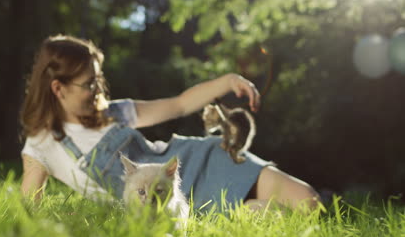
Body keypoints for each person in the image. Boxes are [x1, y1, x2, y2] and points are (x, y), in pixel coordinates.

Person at [20, 34, 320, 213]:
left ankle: (247, 209)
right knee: (270, 215)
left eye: (98, 80)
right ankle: (241, 214)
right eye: (89, 84)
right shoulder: (42, 144)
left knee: (309, 203)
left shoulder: (114, 111)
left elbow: (179, 105)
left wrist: (226, 81)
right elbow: (27, 208)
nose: (98, 89)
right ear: (58, 89)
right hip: (166, 204)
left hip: (196, 161)